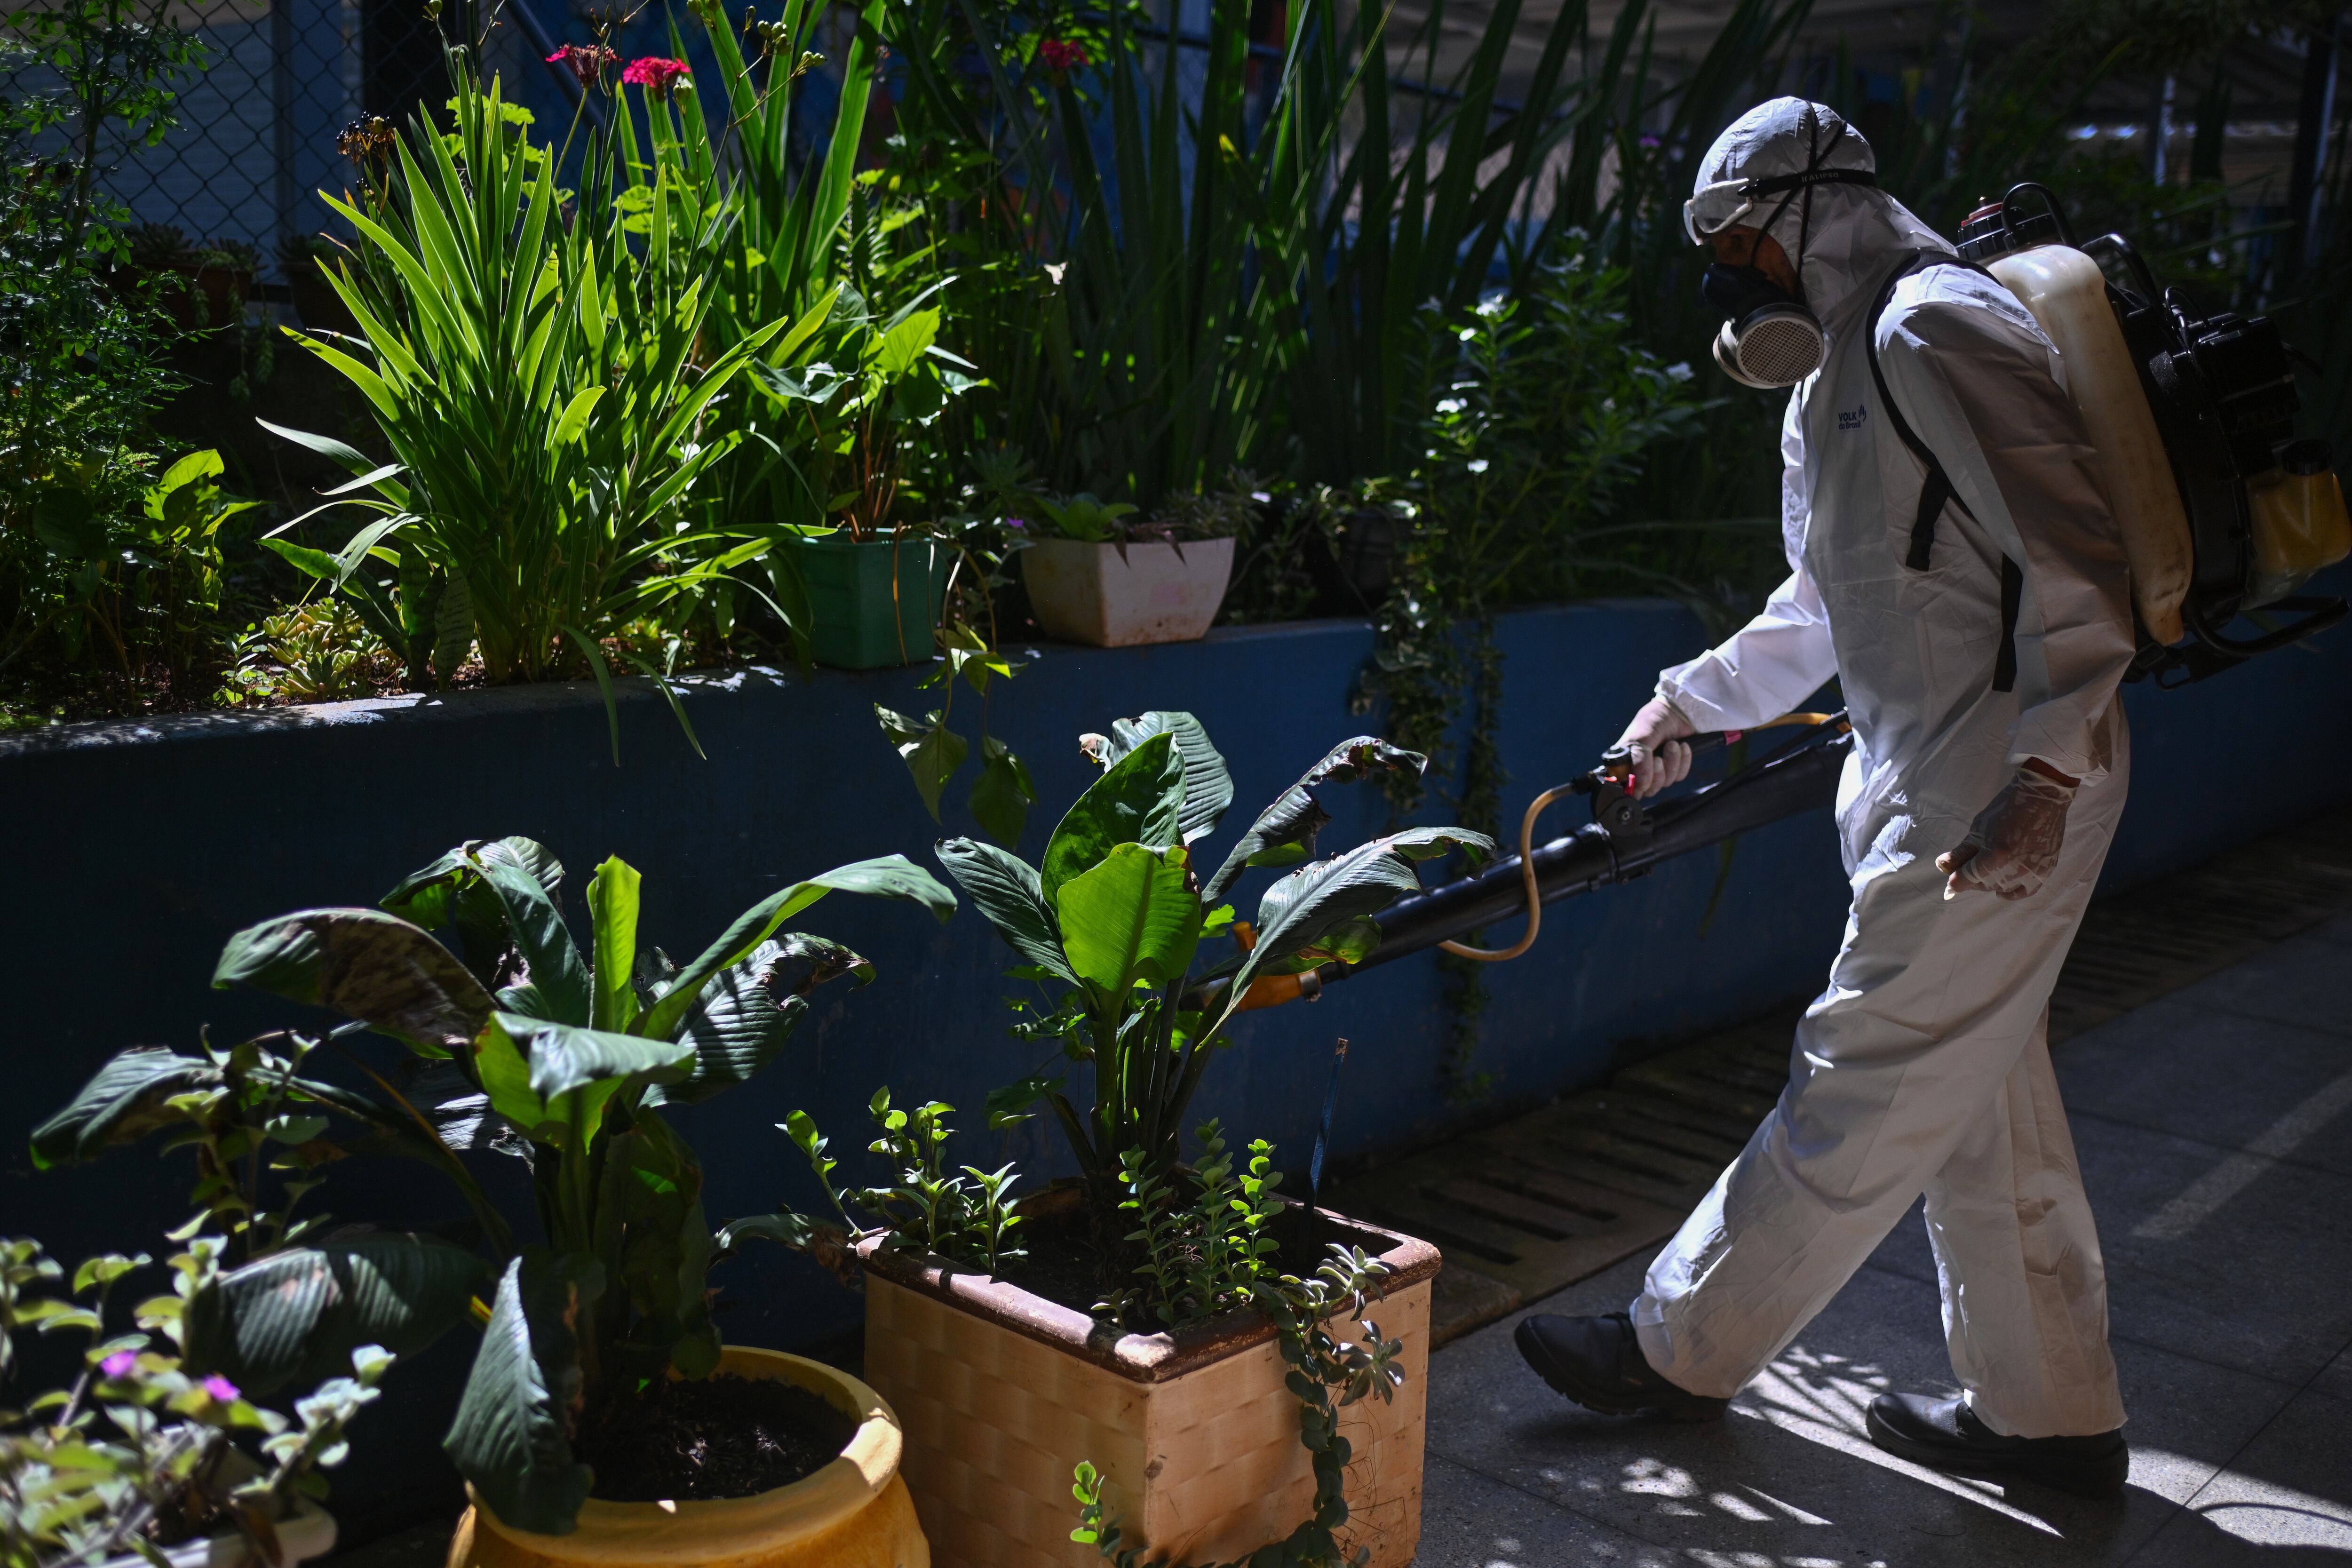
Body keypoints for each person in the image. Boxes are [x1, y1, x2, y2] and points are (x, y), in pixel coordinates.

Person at [1511, 96, 2139, 1499]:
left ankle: (1679, 1346)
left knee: (1862, 1072)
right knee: (1978, 1098)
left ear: (1818, 209)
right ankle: (2051, 1415)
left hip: (2002, 780)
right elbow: (1825, 608)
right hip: (1928, 774)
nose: (1735, 278)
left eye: (1744, 245)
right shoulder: (1831, 376)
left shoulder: (1934, 328)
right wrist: (1682, 705)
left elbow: (2075, 552)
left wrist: (2044, 773)